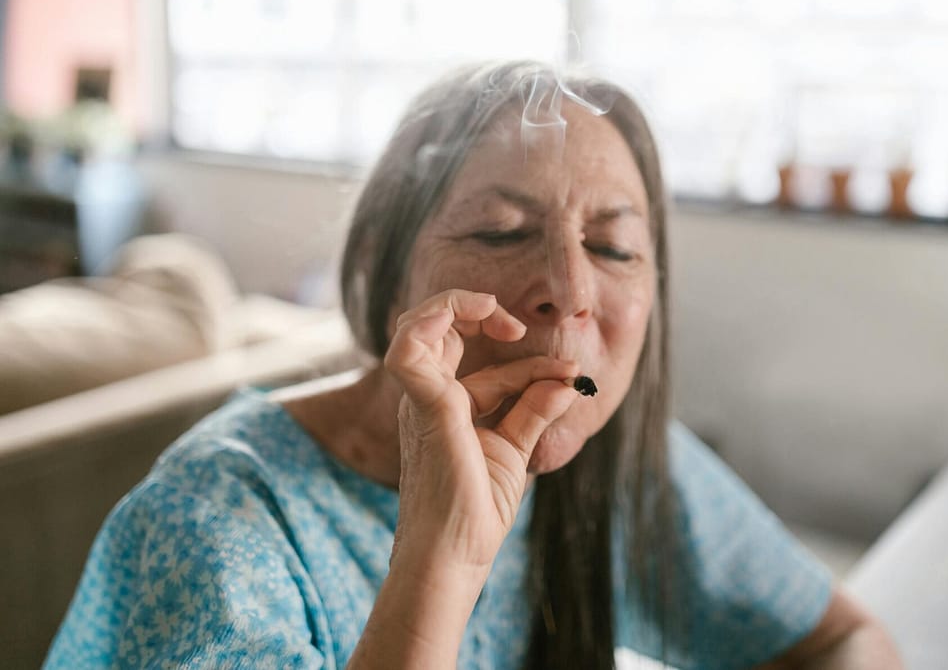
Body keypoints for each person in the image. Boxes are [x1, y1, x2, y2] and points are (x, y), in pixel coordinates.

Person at [45, 61, 903, 669]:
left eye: (613, 246)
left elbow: (841, 638)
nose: (571, 289)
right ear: (388, 272)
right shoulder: (215, 521)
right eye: (501, 232)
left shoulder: (626, 462)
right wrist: (441, 555)